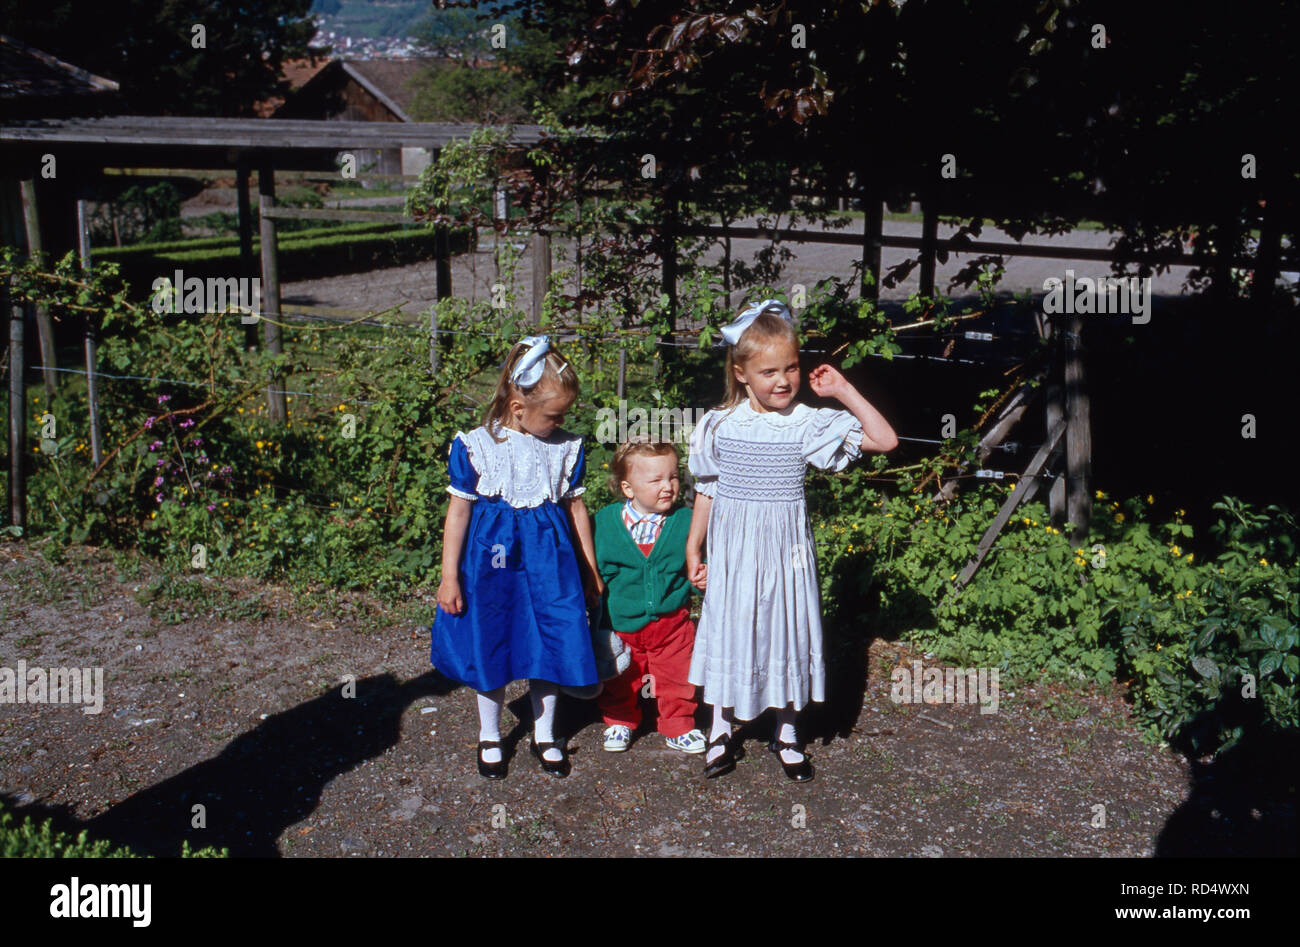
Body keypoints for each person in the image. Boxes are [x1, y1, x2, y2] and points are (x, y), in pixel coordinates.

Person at [685, 299, 898, 781]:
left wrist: (842, 389)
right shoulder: (718, 424)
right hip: (734, 552)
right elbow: (707, 487)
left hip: (786, 554)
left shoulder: (806, 423)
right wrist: (694, 547)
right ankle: (720, 727)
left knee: (785, 626)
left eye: (791, 368)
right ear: (740, 373)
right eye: (768, 372)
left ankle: (787, 732)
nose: (783, 380)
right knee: (729, 627)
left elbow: (885, 440)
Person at [432, 335, 604, 779]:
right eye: (553, 415)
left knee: (550, 642)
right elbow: (459, 511)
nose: (561, 421)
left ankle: (545, 733)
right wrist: (449, 575)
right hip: (493, 565)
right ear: (516, 406)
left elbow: (576, 508)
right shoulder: (477, 446)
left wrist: (590, 568)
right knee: (493, 640)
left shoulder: (565, 448)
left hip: (551, 563)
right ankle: (490, 735)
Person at [592, 439, 708, 754]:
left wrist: (702, 579)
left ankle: (678, 725)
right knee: (622, 676)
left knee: (677, 677)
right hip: (623, 624)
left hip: (672, 623)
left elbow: (695, 566)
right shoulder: (604, 522)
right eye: (655, 480)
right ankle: (619, 720)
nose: (667, 486)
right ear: (628, 489)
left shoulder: (685, 521)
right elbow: (598, 572)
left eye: (672, 477)